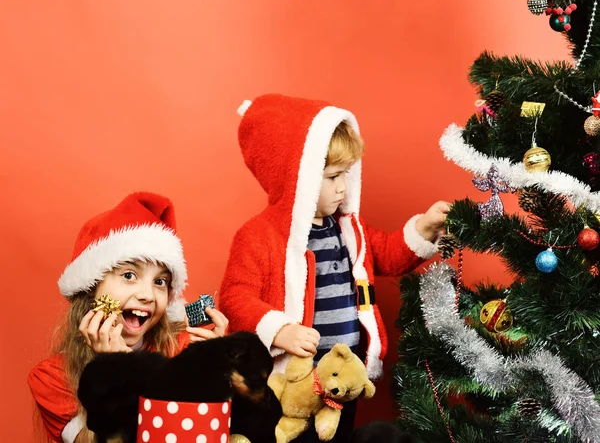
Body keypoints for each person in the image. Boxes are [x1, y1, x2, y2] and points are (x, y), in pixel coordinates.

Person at [219, 94, 449, 441]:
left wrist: (425, 229)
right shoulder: (259, 236)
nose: (343, 186)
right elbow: (235, 296)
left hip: (344, 373)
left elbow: (386, 253)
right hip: (291, 382)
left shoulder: (348, 229)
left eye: (346, 174)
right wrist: (280, 330)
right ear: (295, 177)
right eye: (331, 176)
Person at [28, 192, 229, 442]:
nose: (147, 295)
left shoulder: (183, 350)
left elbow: (200, 430)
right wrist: (115, 370)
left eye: (160, 281)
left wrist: (218, 373)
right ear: (92, 286)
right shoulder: (52, 377)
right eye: (128, 275)